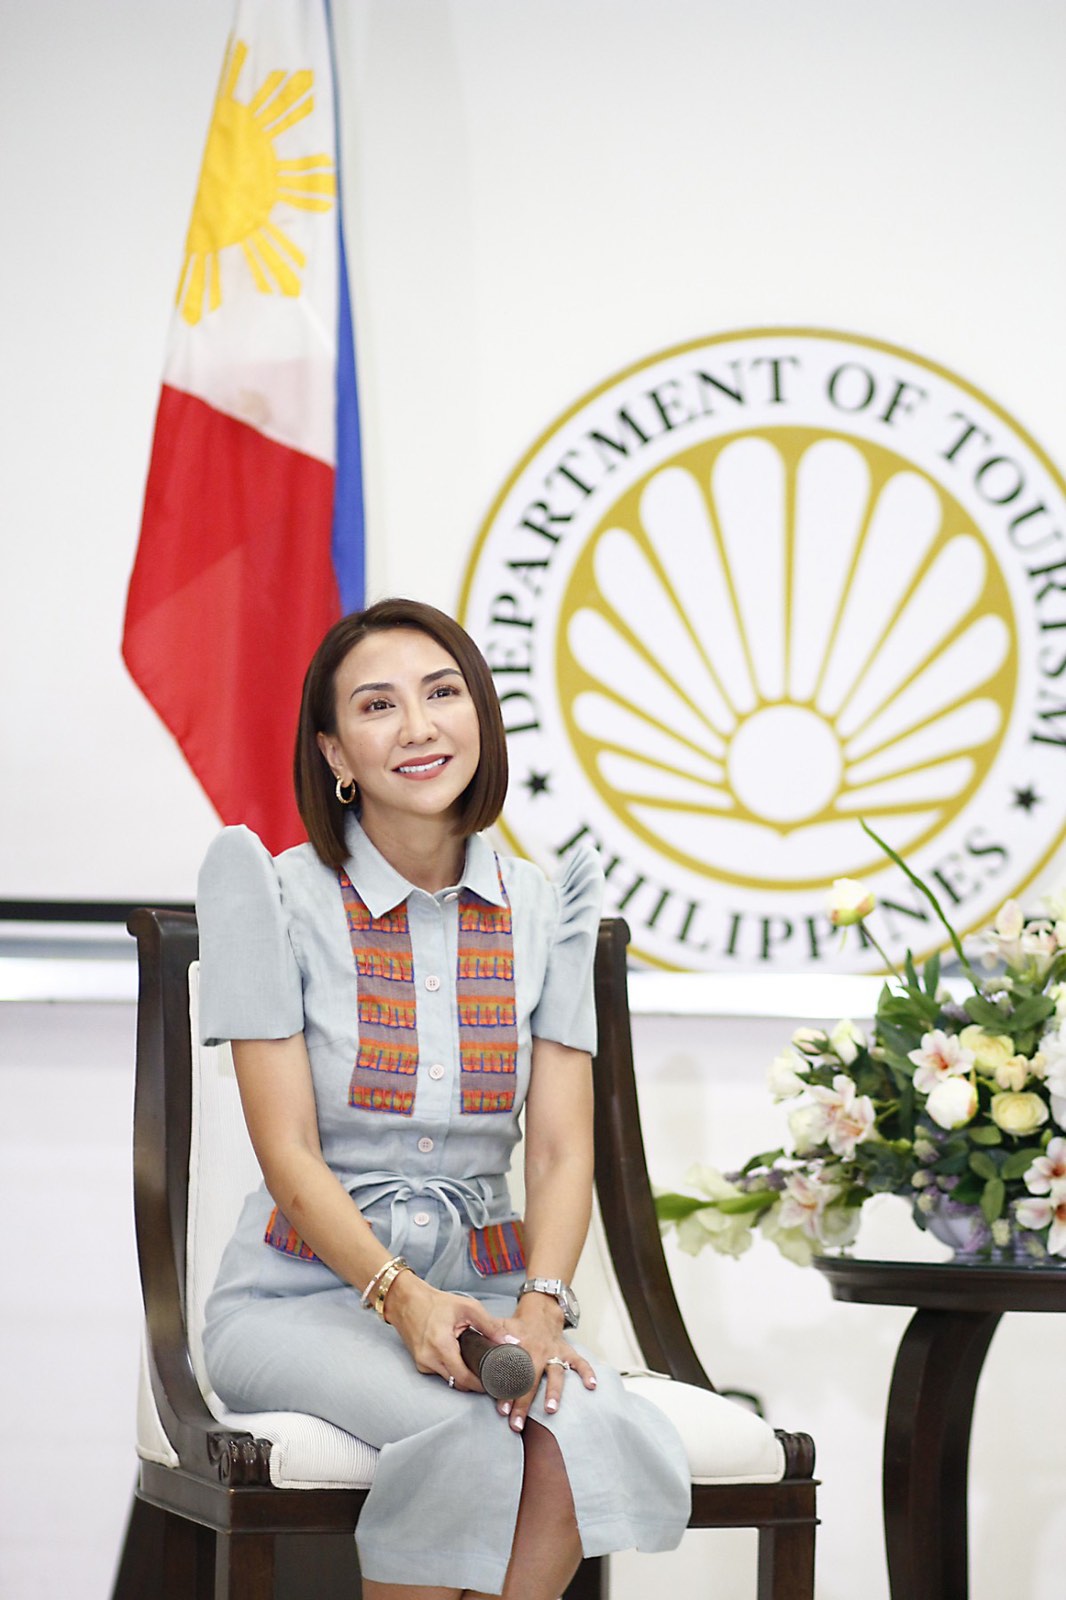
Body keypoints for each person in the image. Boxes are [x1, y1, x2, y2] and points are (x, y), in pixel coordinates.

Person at [197, 598, 690, 1600]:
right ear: (335, 751)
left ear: (481, 720)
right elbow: (286, 1152)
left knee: (575, 1430)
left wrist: (543, 1308)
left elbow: (557, 1151)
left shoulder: (549, 907)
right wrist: (404, 1299)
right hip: (302, 1300)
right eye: (378, 706)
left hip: (493, 1296)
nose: (418, 727)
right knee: (471, 1428)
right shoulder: (273, 895)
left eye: (442, 693)